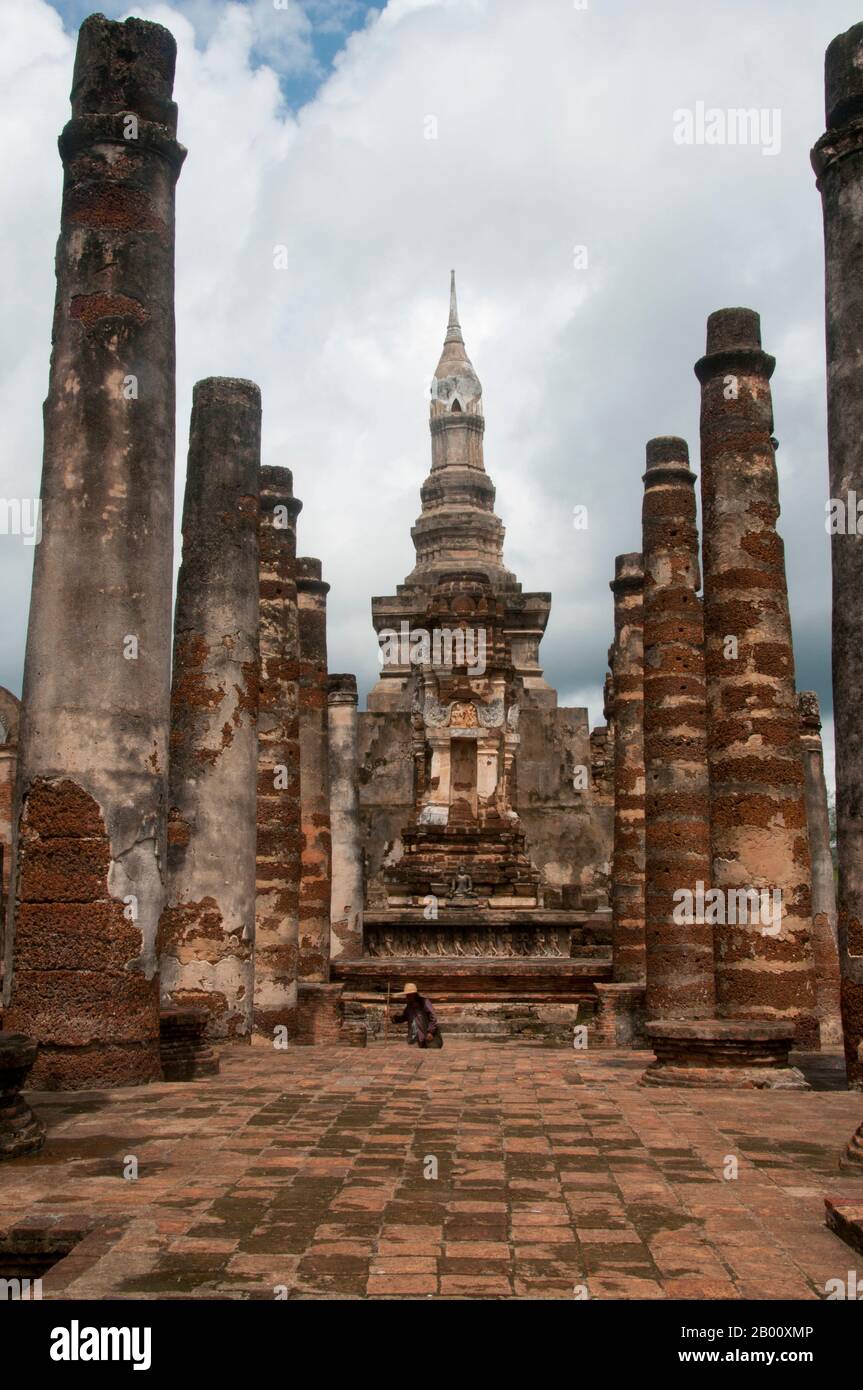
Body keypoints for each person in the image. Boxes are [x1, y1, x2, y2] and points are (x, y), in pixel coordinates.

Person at [392, 982, 441, 1048]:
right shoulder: (409, 1006)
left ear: (414, 994)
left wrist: (430, 1031)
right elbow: (404, 1017)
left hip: (426, 1036)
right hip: (414, 1038)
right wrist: (394, 1018)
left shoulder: (424, 1002)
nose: (407, 996)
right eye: (407, 995)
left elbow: (433, 1017)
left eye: (409, 994)